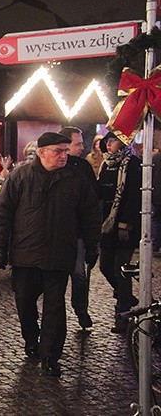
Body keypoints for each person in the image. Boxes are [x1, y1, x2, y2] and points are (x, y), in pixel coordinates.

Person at [0, 132, 101, 377]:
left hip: (59, 255)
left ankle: (50, 355)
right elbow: (2, 213)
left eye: (65, 150)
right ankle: (31, 339)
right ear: (41, 152)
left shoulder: (76, 179)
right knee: (25, 302)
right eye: (58, 151)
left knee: (54, 307)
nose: (64, 155)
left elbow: (90, 215)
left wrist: (92, 245)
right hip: (25, 254)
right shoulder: (20, 177)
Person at [98, 132, 142, 333]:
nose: (109, 144)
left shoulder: (132, 163)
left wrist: (125, 223)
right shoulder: (107, 164)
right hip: (107, 223)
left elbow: (134, 194)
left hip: (125, 224)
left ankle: (122, 314)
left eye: (113, 140)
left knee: (120, 268)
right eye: (107, 141)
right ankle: (127, 297)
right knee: (105, 266)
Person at [57, 126, 100, 329]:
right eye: (78, 144)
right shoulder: (54, 167)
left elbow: (93, 202)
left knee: (78, 274)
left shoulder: (83, 168)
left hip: (78, 233)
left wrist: (92, 240)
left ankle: (80, 309)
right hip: (56, 232)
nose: (82, 147)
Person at [152, 149, 161, 256]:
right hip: (156, 194)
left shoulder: (155, 157)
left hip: (155, 194)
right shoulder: (155, 157)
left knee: (155, 221)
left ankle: (155, 245)